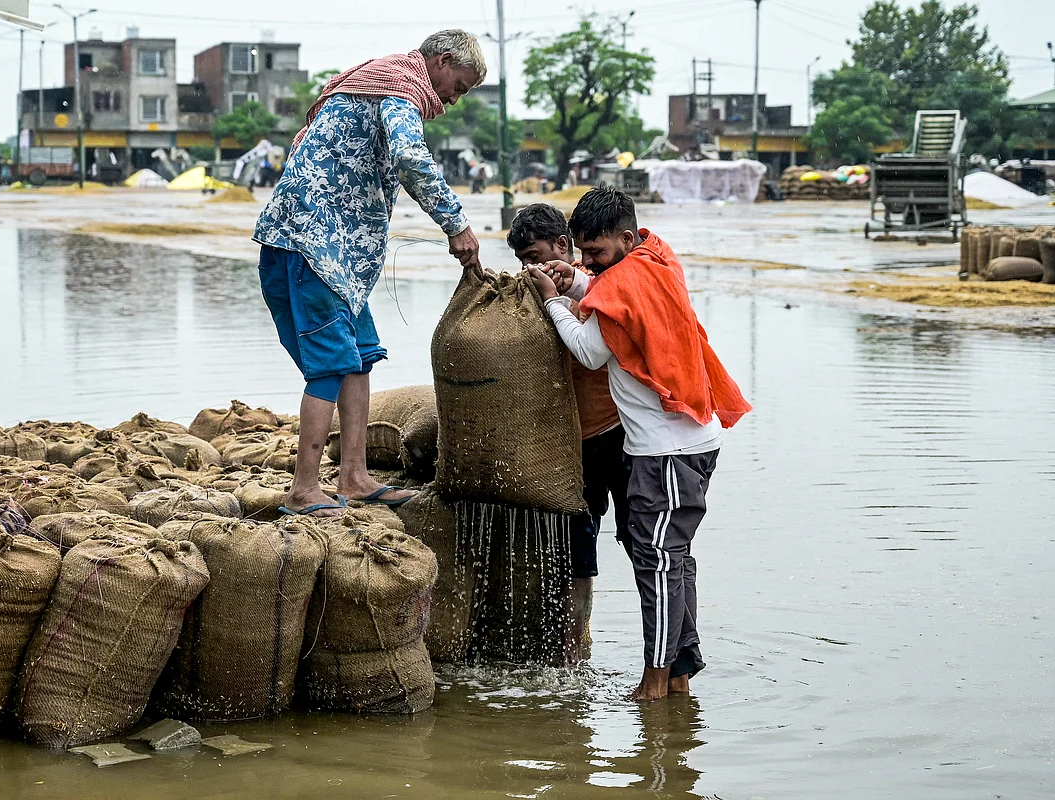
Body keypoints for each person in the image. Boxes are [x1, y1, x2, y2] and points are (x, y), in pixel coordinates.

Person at [525, 186, 751, 701]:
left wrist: (556, 302)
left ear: (625, 237)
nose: (588, 262)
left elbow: (587, 351)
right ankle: (679, 672)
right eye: (581, 253)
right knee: (672, 559)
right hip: (685, 440)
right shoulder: (655, 257)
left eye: (596, 253)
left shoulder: (620, 286)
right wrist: (583, 279)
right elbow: (616, 293)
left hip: (666, 450)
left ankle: (655, 679)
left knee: (658, 562)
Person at [254, 30, 487, 517]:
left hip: (338, 255)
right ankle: (303, 488)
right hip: (312, 243)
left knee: (359, 356)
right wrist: (456, 223)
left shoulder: (379, 81)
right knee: (331, 363)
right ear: (441, 62)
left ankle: (355, 477)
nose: (452, 99)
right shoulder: (399, 87)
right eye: (458, 86)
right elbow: (409, 156)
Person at [505, 203, 633, 660]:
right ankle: (573, 647)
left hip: (616, 434)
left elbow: (590, 351)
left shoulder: (596, 286)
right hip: (565, 444)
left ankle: (657, 649)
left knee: (637, 539)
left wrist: (558, 298)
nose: (529, 268)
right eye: (522, 261)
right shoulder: (530, 296)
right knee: (576, 551)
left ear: (563, 246)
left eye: (536, 256)